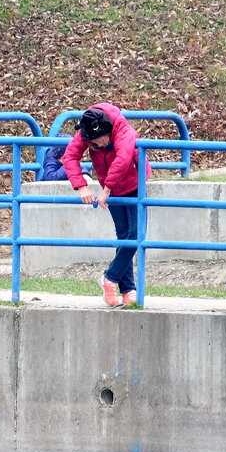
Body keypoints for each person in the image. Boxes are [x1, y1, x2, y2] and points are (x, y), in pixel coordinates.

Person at [61, 104, 150, 307]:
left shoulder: (124, 130)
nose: (95, 146)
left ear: (106, 131)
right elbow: (70, 156)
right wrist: (81, 186)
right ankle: (128, 290)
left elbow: (123, 158)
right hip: (111, 187)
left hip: (134, 183)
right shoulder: (87, 129)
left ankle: (110, 278)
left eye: (97, 142)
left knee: (136, 235)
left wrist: (107, 189)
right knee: (124, 236)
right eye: (91, 143)